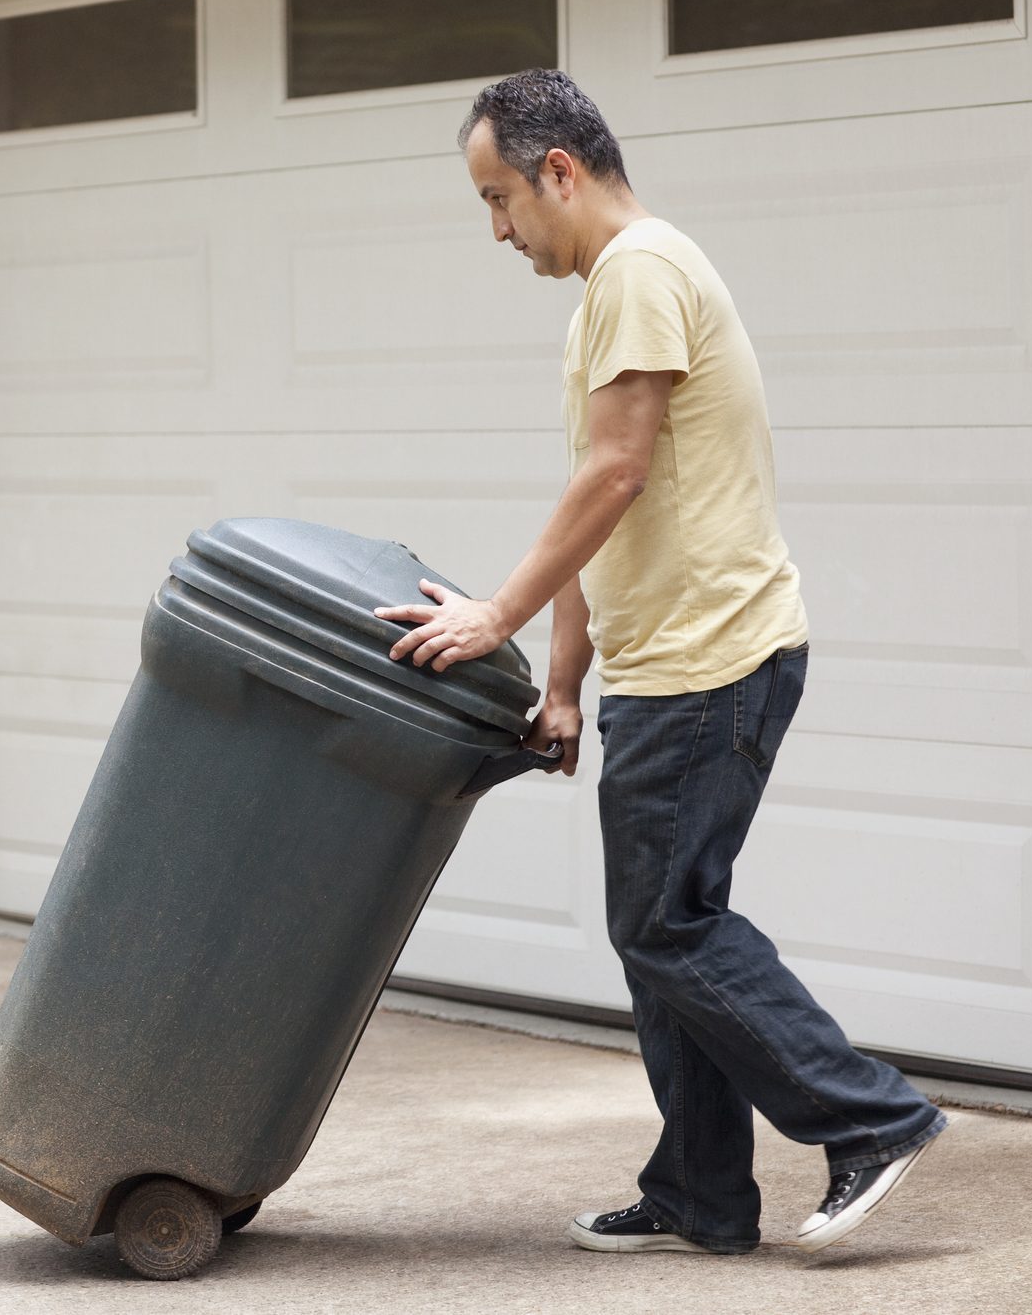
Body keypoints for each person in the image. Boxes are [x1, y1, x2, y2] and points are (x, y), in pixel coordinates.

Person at [373, 68, 946, 1256]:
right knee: (662, 930)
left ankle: (869, 1119)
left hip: (708, 661)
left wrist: (498, 616)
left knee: (667, 925)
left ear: (559, 173)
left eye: (498, 200)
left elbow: (615, 473)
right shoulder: (613, 292)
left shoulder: (637, 273)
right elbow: (605, 506)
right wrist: (565, 680)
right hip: (669, 666)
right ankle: (698, 1193)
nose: (497, 230)